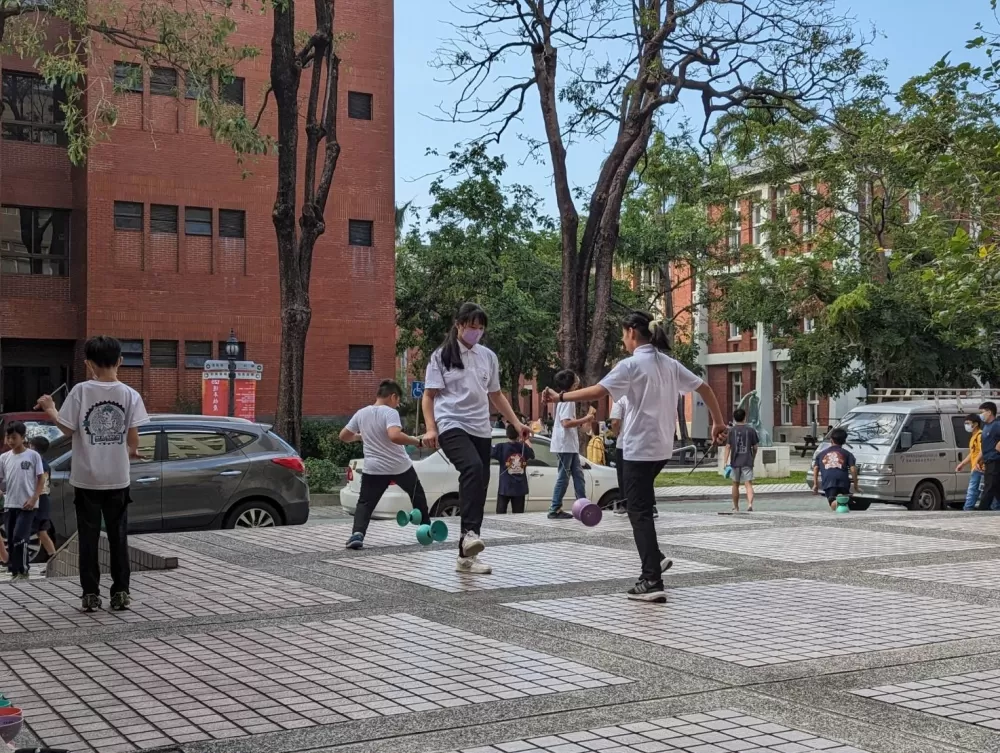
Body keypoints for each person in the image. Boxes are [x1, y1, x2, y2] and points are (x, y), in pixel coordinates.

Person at [543, 311, 726, 603]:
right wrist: (718, 422)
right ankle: (655, 558)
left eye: (623, 334)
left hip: (637, 449)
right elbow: (704, 387)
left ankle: (651, 579)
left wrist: (560, 397)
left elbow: (598, 391)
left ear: (631, 332)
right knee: (635, 502)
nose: (622, 339)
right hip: (661, 449)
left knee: (638, 512)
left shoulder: (630, 365)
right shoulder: (670, 364)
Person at [36, 335, 149, 612]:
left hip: (86, 479)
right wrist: (129, 451)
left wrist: (51, 409)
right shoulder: (130, 395)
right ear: (120, 361)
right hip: (118, 478)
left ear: (88, 364)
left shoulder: (81, 391)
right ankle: (121, 592)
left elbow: (67, 429)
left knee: (87, 538)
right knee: (118, 536)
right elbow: (133, 440)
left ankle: (90, 594)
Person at [422, 303, 530, 575]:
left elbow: (496, 394)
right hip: (450, 423)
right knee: (472, 468)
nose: (476, 332)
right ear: (458, 324)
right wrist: (431, 428)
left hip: (480, 427)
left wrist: (516, 423)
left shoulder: (488, 357)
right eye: (472, 327)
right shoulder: (441, 356)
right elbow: (428, 396)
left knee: (480, 483)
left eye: (481, 328)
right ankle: (470, 533)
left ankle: (466, 556)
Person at [340, 380, 430, 549]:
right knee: (417, 495)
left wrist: (359, 436)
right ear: (393, 396)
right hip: (399, 466)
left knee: (365, 503)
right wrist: (417, 441)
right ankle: (425, 529)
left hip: (373, 468)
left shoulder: (362, 413)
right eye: (397, 401)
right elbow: (394, 436)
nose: (397, 405)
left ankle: (357, 534)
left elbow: (344, 436)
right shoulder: (390, 412)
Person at [0, 421, 45, 580]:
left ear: (22, 437)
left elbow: (41, 479)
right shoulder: (4, 458)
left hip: (27, 505)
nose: (10, 441)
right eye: (8, 437)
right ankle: (14, 570)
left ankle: (24, 569)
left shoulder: (33, 455)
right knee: (11, 538)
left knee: (20, 536)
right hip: (9, 503)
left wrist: (34, 498)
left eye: (14, 437)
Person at [548, 369, 594, 519]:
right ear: (573, 383)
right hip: (564, 444)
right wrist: (585, 419)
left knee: (578, 475)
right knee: (564, 476)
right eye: (576, 377)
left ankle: (583, 505)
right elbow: (566, 423)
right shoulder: (567, 400)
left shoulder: (564, 397)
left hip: (570, 445)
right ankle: (554, 508)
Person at [491, 424, 535, 514]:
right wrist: (526, 439)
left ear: (507, 434)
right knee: (518, 515)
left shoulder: (501, 447)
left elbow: (488, 452)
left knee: (500, 515)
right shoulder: (523, 447)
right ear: (519, 434)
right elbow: (532, 454)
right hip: (520, 488)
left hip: (505, 487)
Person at [812, 427, 859, 510]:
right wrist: (855, 485)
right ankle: (843, 499)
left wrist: (815, 484)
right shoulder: (848, 454)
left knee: (833, 502)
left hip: (828, 480)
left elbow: (815, 468)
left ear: (831, 440)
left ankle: (837, 502)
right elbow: (853, 469)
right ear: (844, 441)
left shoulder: (821, 454)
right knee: (842, 500)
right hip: (843, 480)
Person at [28, 435, 58, 563]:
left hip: (40, 502)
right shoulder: (39, 463)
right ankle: (53, 558)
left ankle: (54, 558)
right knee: (41, 532)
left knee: (40, 531)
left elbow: (41, 487)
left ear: (33, 447)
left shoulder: (41, 465)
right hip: (41, 502)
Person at [724, 408, 759, 513]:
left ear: (734, 418)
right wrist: (753, 457)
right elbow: (755, 447)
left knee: (735, 484)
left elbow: (728, 447)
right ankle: (749, 504)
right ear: (745, 417)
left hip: (735, 462)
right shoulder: (751, 430)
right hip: (747, 461)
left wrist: (725, 462)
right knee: (748, 483)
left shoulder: (731, 431)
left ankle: (736, 506)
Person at [956, 414, 984, 512]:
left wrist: (976, 462)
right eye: (965, 423)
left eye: (968, 423)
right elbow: (972, 453)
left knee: (973, 490)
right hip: (976, 468)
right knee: (976, 490)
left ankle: (968, 509)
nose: (966, 425)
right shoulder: (974, 437)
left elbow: (983, 450)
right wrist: (962, 464)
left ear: (975, 424)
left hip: (979, 468)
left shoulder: (980, 435)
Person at [976, 401, 1000, 511]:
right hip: (988, 461)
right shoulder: (986, 427)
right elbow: (984, 447)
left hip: (995, 461)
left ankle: (981, 511)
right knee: (995, 488)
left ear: (989, 412)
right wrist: (978, 460)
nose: (981, 415)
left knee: (989, 487)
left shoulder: (996, 425)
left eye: (982, 412)